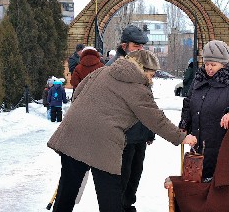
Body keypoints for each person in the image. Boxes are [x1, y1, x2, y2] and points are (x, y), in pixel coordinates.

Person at [47, 49, 197, 212]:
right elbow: (155, 119)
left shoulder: (103, 71)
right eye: (151, 75)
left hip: (72, 132)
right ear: (142, 69)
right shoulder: (137, 87)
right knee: (110, 196)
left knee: (67, 191)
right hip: (103, 142)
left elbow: (78, 93)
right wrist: (181, 137)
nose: (150, 79)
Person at [179, 40, 229, 211]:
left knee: (226, 187)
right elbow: (188, 103)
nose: (209, 68)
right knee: (203, 187)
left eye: (213, 64)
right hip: (201, 141)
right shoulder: (199, 79)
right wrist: (184, 123)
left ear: (223, 63)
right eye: (206, 63)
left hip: (225, 145)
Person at [105, 25, 151, 212]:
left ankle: (128, 207)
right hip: (121, 137)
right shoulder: (112, 68)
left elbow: (146, 102)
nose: (140, 49)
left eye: (142, 46)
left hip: (139, 134)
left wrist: (148, 131)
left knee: (134, 178)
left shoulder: (143, 67)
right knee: (120, 181)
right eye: (136, 46)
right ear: (124, 46)